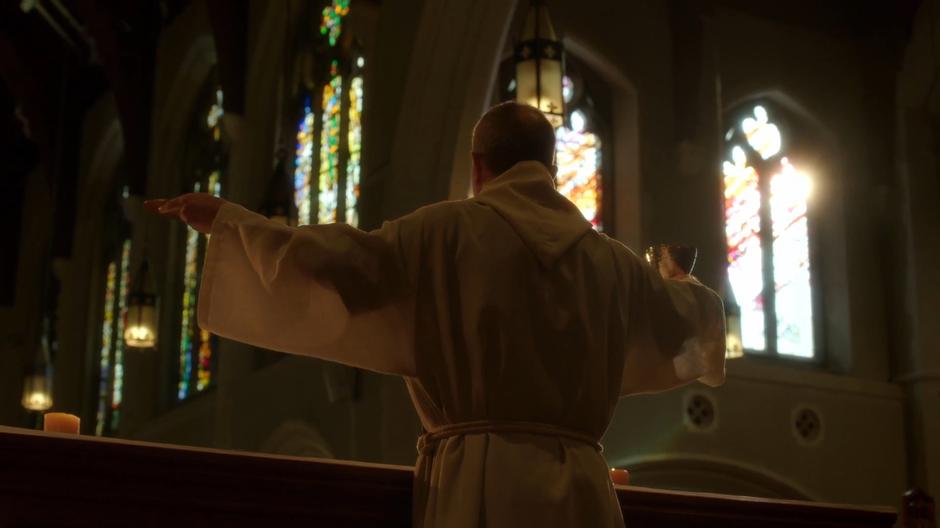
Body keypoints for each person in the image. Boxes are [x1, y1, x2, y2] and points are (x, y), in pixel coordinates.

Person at [147, 102, 726, 527]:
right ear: (552, 165)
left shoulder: (441, 234)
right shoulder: (614, 264)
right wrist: (680, 276)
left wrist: (233, 220)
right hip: (583, 492)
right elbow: (688, 316)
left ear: (478, 167)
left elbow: (331, 260)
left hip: (475, 483)